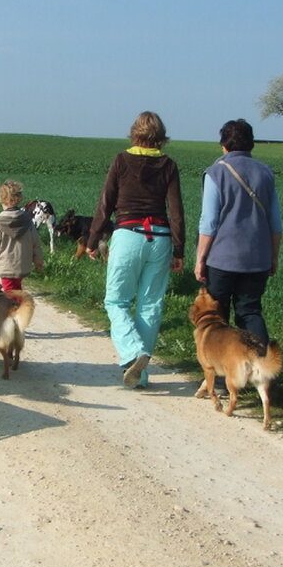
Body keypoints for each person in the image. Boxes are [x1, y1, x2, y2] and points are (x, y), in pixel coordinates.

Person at [87, 111, 185, 389]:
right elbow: (176, 212)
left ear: (134, 133)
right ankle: (139, 376)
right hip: (161, 237)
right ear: (161, 137)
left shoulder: (121, 160)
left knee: (116, 301)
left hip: (128, 235)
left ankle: (132, 353)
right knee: (150, 305)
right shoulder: (169, 165)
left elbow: (106, 203)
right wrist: (179, 249)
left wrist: (93, 239)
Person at [194, 118, 283, 350]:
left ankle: (223, 379)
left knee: (217, 315)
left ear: (224, 144)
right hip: (257, 258)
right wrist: (273, 256)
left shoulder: (216, 173)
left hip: (222, 258)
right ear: (251, 144)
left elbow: (209, 221)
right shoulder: (266, 173)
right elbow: (275, 222)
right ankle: (262, 371)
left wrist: (200, 258)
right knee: (250, 311)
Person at [0, 179, 43, 291]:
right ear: (19, 198)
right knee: (16, 289)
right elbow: (36, 243)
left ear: (1, 199)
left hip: (6, 265)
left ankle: (16, 308)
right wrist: (38, 260)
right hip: (22, 264)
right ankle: (20, 306)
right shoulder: (27, 220)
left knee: (10, 293)